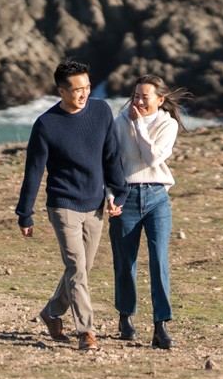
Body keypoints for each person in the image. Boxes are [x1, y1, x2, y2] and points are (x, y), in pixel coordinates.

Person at [15, 58, 128, 351]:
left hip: (95, 204)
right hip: (63, 203)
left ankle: (51, 312)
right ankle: (86, 332)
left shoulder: (101, 111)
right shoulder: (46, 125)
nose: (84, 94)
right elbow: (34, 171)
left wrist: (118, 192)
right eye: (77, 89)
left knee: (84, 267)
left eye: (88, 87)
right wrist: (25, 213)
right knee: (76, 267)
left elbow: (111, 155)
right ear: (61, 91)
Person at [107, 74, 191, 349]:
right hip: (126, 197)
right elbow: (110, 163)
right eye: (136, 96)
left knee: (159, 261)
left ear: (160, 100)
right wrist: (109, 195)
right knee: (125, 261)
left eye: (145, 96)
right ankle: (125, 317)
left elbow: (152, 156)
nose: (139, 101)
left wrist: (139, 125)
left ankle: (160, 325)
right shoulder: (120, 123)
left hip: (157, 198)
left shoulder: (168, 125)